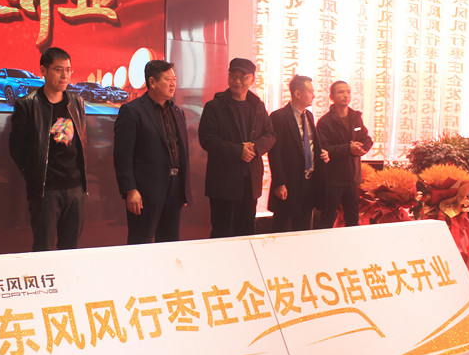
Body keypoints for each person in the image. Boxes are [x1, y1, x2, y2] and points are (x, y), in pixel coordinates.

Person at [9, 47, 87, 250]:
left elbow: (81, 143)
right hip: (46, 190)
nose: (65, 75)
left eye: (68, 70)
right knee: (43, 247)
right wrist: (34, 175)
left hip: (75, 188)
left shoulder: (76, 102)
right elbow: (17, 149)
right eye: (58, 70)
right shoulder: (28, 105)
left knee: (70, 248)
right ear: (43, 70)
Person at [113, 59, 190, 244]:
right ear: (152, 82)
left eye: (174, 79)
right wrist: (130, 189)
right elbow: (123, 155)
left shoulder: (177, 112)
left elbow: (182, 151)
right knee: (141, 243)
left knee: (170, 243)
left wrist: (183, 189)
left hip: (174, 188)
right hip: (145, 191)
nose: (172, 84)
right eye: (167, 79)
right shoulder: (132, 111)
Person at [198, 58, 276, 237]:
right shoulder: (214, 106)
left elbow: (270, 134)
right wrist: (238, 151)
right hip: (223, 182)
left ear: (253, 79)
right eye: (233, 75)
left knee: (246, 231)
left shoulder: (257, 106)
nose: (237, 81)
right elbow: (207, 139)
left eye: (243, 77)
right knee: (222, 232)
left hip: (250, 182)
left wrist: (254, 148)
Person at [268, 75, 329, 232]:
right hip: (289, 183)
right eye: (310, 92)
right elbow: (275, 153)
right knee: (281, 228)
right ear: (297, 93)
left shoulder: (309, 115)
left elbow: (310, 144)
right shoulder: (279, 117)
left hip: (308, 182)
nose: (314, 96)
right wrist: (279, 183)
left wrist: (321, 153)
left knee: (303, 228)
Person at [316, 80, 373, 228]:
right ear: (332, 97)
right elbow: (323, 148)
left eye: (348, 92)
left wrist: (362, 148)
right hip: (333, 179)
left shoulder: (355, 117)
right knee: (327, 218)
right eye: (341, 92)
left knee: (352, 218)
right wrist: (348, 148)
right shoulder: (325, 122)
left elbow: (367, 139)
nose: (346, 95)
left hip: (352, 177)